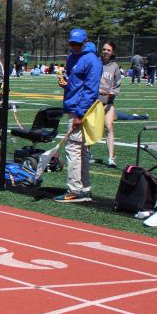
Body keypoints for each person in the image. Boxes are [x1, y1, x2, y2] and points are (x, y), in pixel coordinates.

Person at [55, 28, 102, 203]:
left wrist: (80, 114)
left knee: (74, 149)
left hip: (81, 110)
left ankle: (75, 189)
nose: (74, 46)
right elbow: (75, 82)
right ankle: (84, 189)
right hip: (72, 106)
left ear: (84, 42)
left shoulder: (92, 60)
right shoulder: (71, 57)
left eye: (77, 44)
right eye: (72, 43)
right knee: (80, 150)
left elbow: (91, 90)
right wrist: (66, 84)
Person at [97, 40, 121, 168]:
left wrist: (113, 92)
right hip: (94, 102)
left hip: (108, 102)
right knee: (92, 127)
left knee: (109, 126)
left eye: (108, 50)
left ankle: (111, 158)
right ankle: (86, 153)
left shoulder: (114, 66)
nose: (106, 52)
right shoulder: (95, 62)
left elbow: (117, 84)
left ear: (112, 52)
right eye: (104, 49)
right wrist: (96, 90)